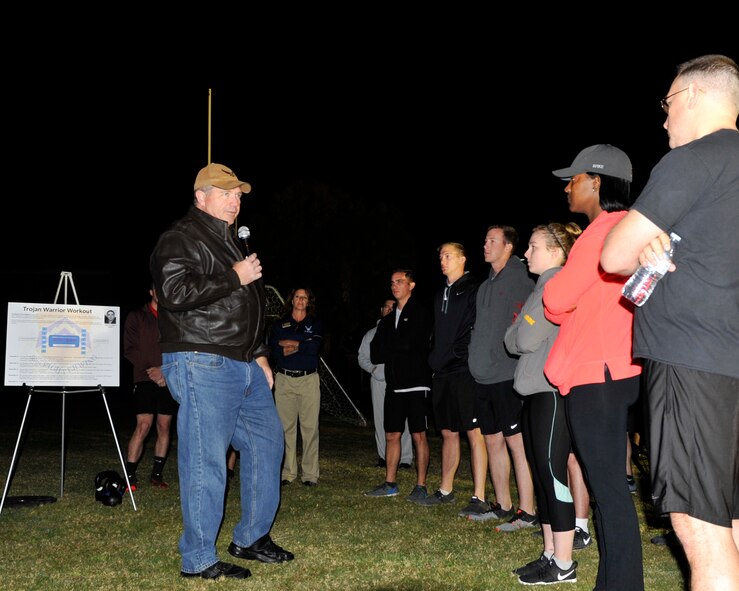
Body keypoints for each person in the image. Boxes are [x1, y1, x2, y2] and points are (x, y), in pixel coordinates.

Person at [601, 55, 739, 591]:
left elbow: (613, 256)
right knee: (729, 523)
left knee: (702, 533)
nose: (664, 121)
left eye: (667, 105)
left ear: (694, 97)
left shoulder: (694, 159)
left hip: (693, 363)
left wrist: (645, 245)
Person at [150, 162, 292, 580]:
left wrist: (262, 353)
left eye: (239, 195)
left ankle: (250, 537)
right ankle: (197, 559)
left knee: (268, 444)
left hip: (245, 363)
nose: (235, 202)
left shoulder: (230, 241)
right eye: (226, 194)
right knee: (206, 459)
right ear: (201, 197)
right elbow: (173, 293)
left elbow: (248, 309)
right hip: (202, 360)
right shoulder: (180, 238)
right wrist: (235, 275)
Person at [543, 144, 644, 590]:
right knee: (609, 488)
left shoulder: (604, 230)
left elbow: (555, 299)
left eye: (575, 178)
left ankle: (622, 584)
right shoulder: (630, 229)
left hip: (596, 372)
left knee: (609, 491)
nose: (568, 186)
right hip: (615, 370)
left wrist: (568, 299)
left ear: (597, 182)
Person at [504, 222, 585, 584]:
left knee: (553, 477)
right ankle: (551, 552)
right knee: (542, 477)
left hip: (550, 394)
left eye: (533, 246)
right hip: (534, 393)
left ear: (555, 252)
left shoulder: (556, 284)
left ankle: (564, 564)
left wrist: (522, 325)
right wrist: (521, 327)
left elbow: (525, 336)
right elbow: (512, 339)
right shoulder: (542, 287)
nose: (526, 253)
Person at [467, 226, 537, 532]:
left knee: (516, 444)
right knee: (492, 441)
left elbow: (523, 327)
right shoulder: (484, 287)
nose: (485, 245)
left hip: (506, 376)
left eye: (492, 240)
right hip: (480, 377)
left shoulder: (520, 281)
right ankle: (503, 505)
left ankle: (528, 511)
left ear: (508, 246)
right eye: (485, 240)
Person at [421, 243, 486, 513]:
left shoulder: (473, 287)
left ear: (462, 258)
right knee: (447, 430)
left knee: (474, 431)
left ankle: (479, 496)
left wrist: (460, 353)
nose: (442, 260)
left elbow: (475, 326)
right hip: (442, 370)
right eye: (440, 256)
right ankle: (445, 489)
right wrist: (435, 356)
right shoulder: (440, 293)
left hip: (463, 369)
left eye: (448, 256)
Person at [364, 269, 432, 501]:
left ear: (411, 285)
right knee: (392, 434)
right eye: (392, 282)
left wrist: (393, 346)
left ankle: (421, 485)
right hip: (393, 385)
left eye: (400, 282)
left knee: (418, 435)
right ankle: (390, 483)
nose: (395, 286)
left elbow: (412, 345)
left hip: (415, 384)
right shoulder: (386, 320)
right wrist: (396, 345)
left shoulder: (420, 313)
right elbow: (374, 353)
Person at [123, 284, 178, 491]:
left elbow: (178, 348)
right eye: (158, 290)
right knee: (144, 425)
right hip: (144, 378)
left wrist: (165, 370)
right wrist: (151, 371)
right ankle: (129, 476)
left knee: (164, 425)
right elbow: (130, 349)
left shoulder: (173, 319)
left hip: (167, 378)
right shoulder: (137, 316)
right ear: (151, 292)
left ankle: (156, 475)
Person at [270, 287, 324, 487]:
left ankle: (310, 474)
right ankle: (288, 472)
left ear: (308, 301)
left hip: (308, 380)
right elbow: (275, 350)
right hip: (284, 380)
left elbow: (314, 348)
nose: (301, 300)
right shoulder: (279, 324)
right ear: (292, 300)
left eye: (305, 297)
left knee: (310, 428)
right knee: (285, 429)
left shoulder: (315, 323)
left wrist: (293, 345)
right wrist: (302, 343)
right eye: (298, 297)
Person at [357, 297, 413, 469]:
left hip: (399, 380)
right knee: (381, 419)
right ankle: (383, 456)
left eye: (392, 307)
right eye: (386, 307)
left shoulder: (404, 331)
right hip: (379, 381)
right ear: (381, 310)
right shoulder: (371, 333)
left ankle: (404, 458)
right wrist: (374, 370)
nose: (389, 310)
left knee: (402, 420)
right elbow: (362, 358)